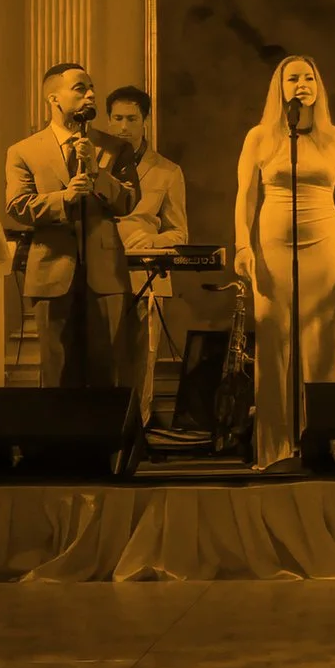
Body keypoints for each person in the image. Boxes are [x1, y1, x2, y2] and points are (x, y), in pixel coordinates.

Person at [233, 56, 335, 469]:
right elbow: (245, 195)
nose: (302, 83)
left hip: (325, 242)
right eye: (292, 77)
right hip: (273, 246)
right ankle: (274, 449)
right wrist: (243, 246)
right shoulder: (260, 137)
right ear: (280, 87)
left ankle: (321, 445)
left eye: (309, 76)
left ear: (319, 86)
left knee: (323, 345)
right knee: (274, 343)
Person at [6, 65, 139, 390]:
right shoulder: (23, 151)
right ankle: (57, 441)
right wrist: (64, 198)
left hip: (105, 275)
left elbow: (129, 201)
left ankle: (107, 442)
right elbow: (17, 206)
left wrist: (97, 172)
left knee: (107, 374)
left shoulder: (116, 148)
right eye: (80, 88)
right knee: (57, 374)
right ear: (54, 97)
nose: (91, 94)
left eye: (92, 87)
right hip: (51, 273)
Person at [103, 85, 187, 422]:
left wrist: (152, 242)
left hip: (147, 276)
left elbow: (179, 232)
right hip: (101, 273)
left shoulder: (168, 171)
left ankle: (138, 433)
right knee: (104, 359)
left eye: (131, 119)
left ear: (145, 122)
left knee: (142, 362)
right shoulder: (94, 164)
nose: (123, 127)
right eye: (117, 118)